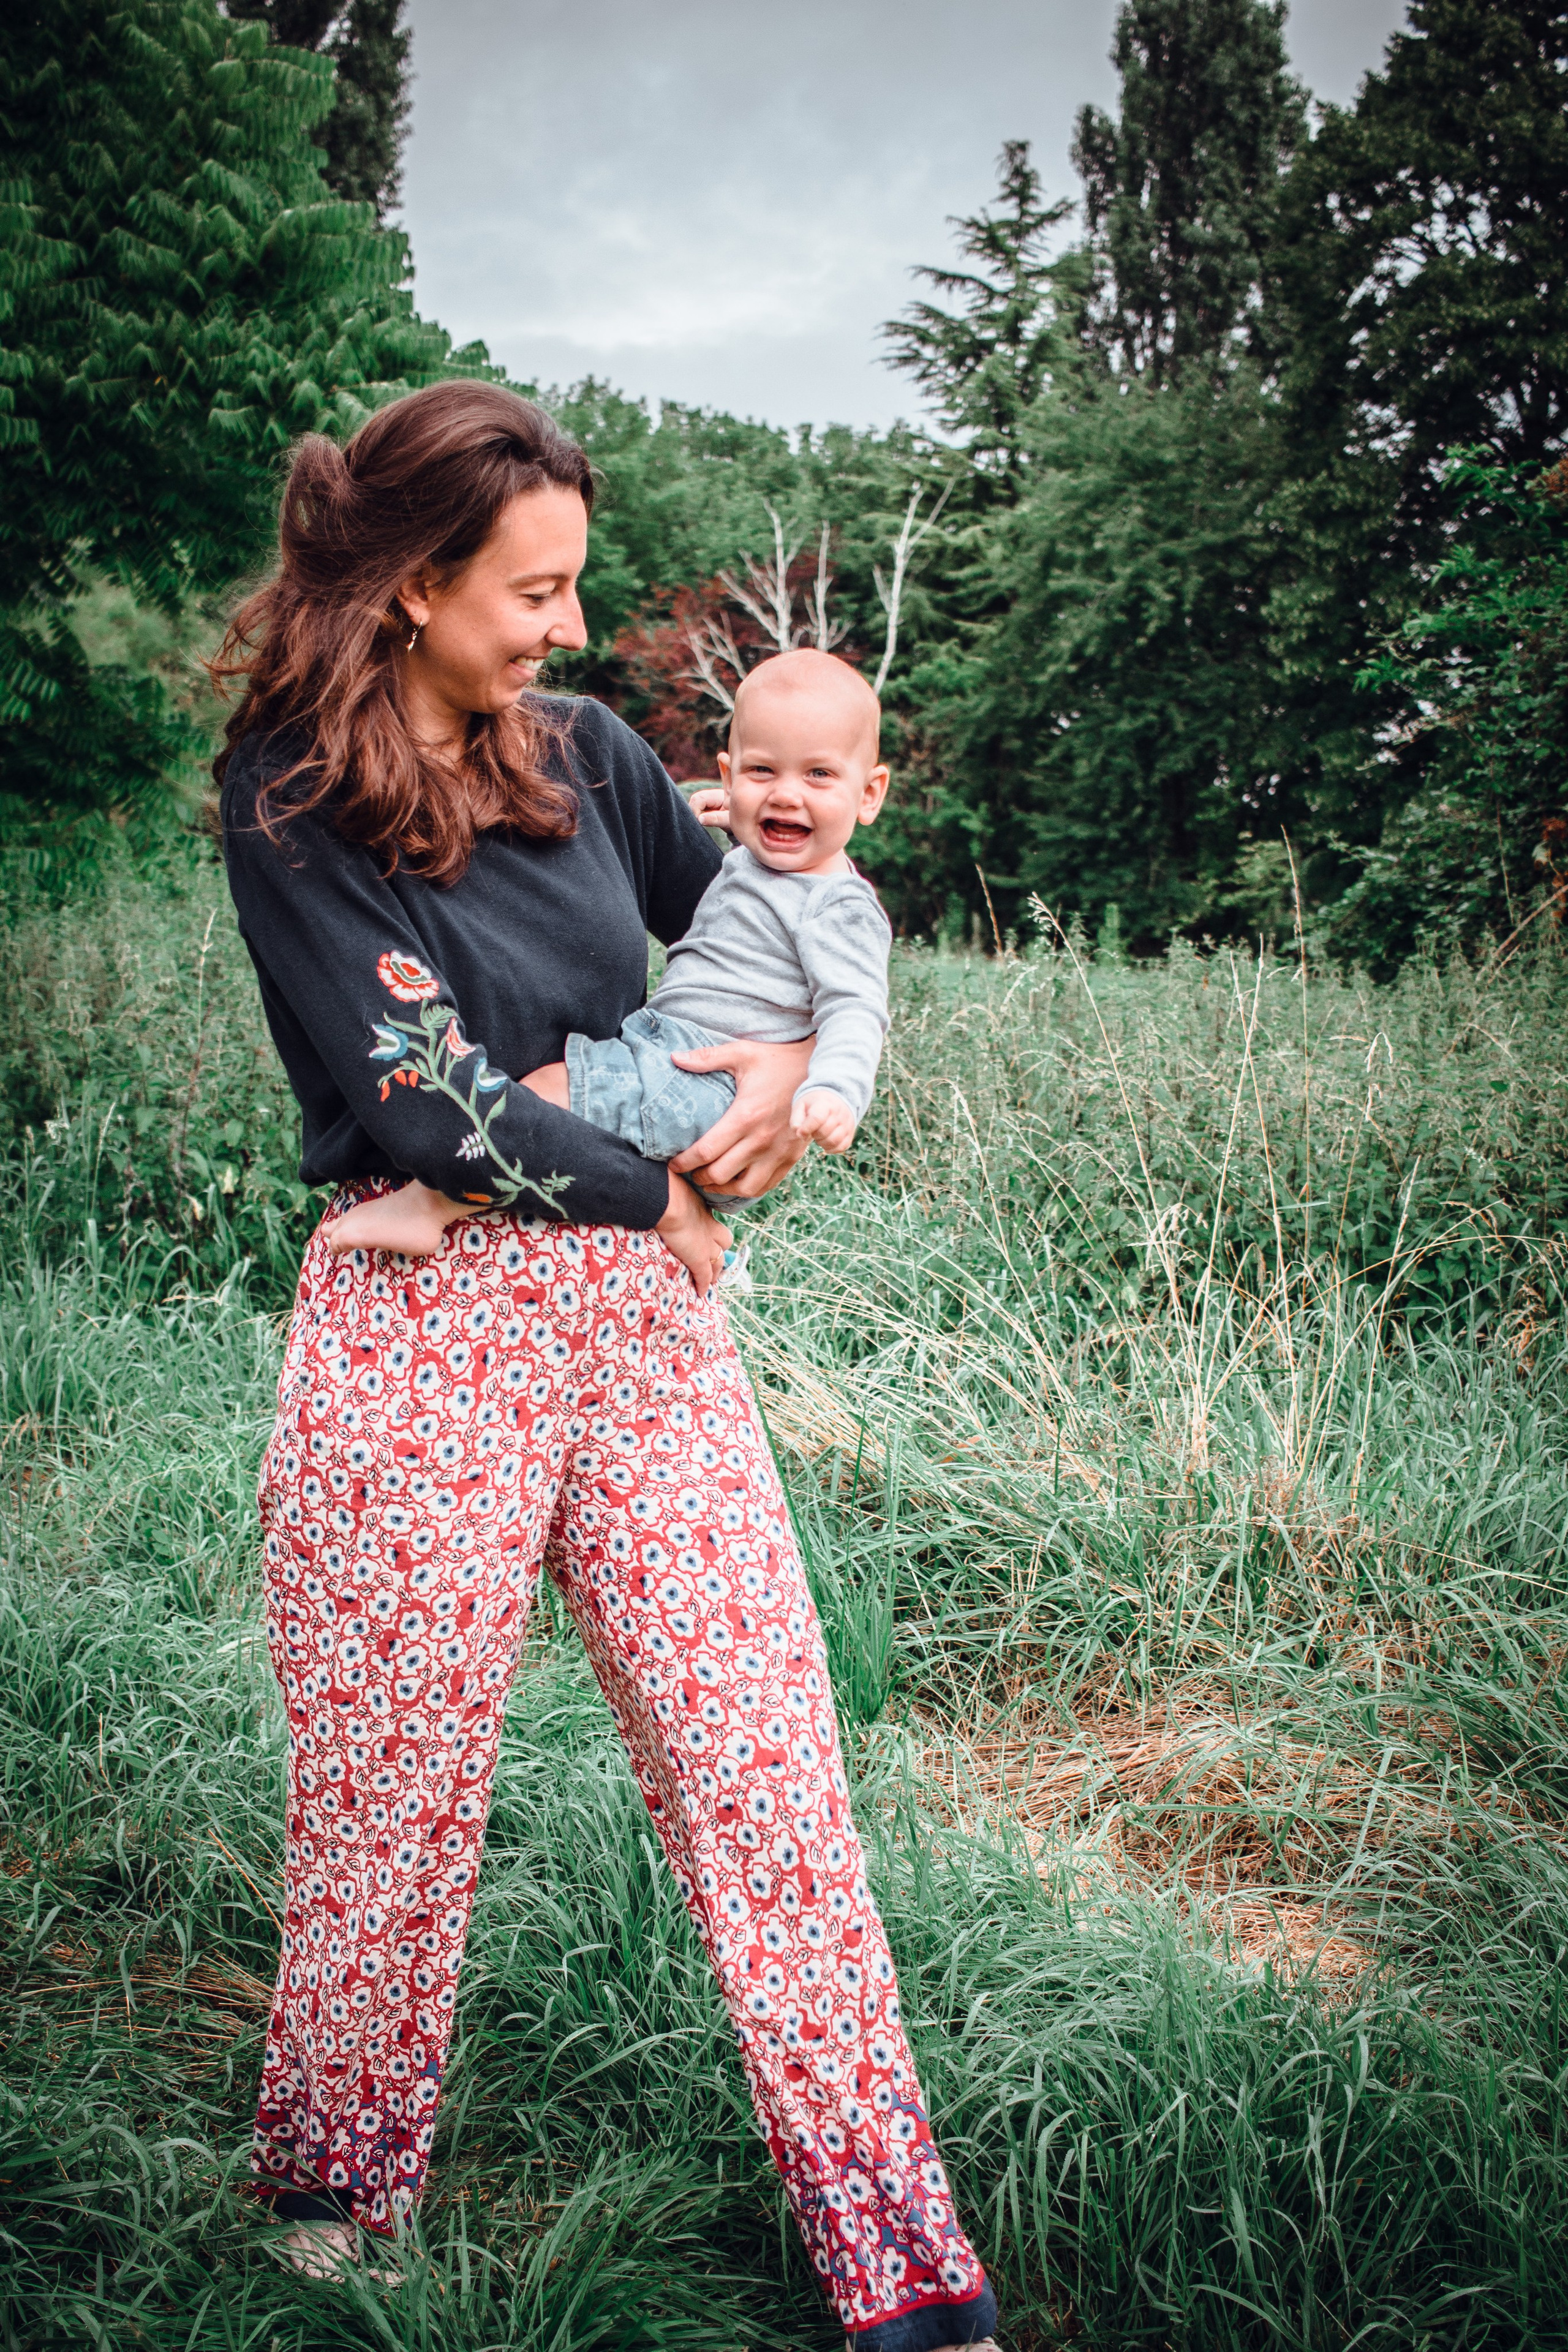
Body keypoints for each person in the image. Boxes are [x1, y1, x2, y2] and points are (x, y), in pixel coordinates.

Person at [213, 377, 1000, 2352]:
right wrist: (661, 1191)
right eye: (533, 590)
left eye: (575, 587)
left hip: (647, 1341)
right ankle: (334, 2192)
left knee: (767, 1777)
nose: (567, 627)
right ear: (412, 583)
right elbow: (426, 1104)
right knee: (391, 1792)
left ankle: (905, 2269)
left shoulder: (587, 756)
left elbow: (767, 933)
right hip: (423, 1344)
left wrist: (788, 1091)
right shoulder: (292, 795)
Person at [323, 646, 894, 1261]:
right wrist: (732, 815)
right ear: (729, 777)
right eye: (762, 771)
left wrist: (831, 1088)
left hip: (704, 1078)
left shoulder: (838, 905)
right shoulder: (765, 866)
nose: (785, 795)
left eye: (818, 776)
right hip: (676, 1059)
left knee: (544, 1095)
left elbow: (856, 1008)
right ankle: (702, 1248)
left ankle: (429, 1206)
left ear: (869, 795)